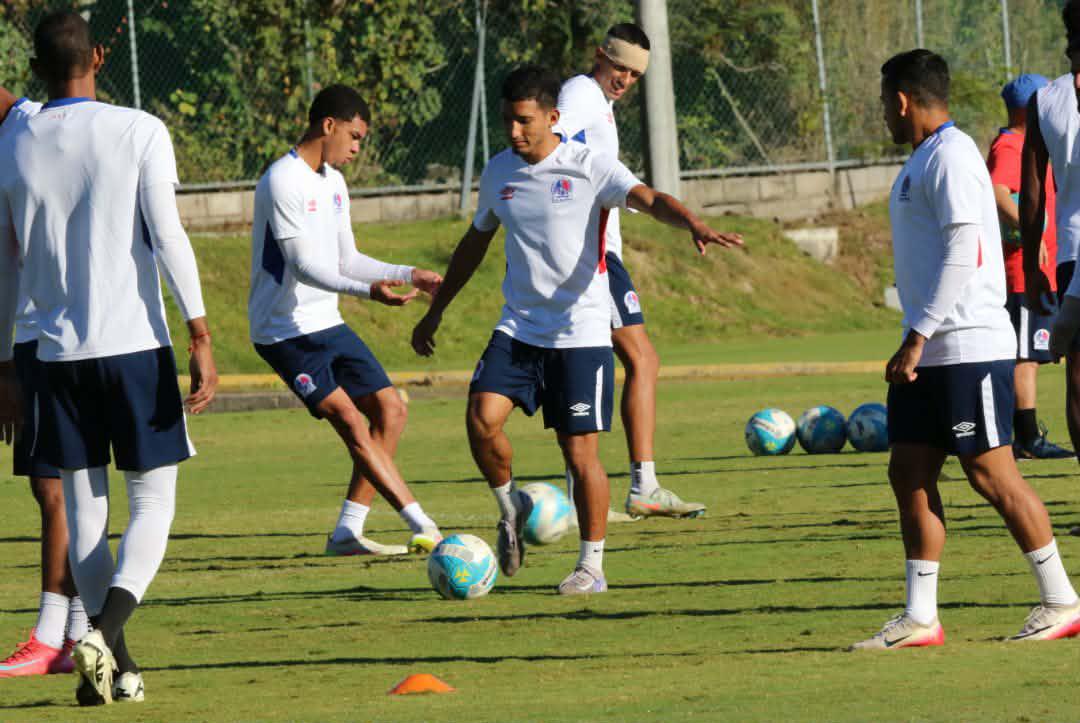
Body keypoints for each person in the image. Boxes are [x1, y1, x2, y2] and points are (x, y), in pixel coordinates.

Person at [411, 65, 741, 595]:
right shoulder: (499, 172)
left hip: (581, 333)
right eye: (507, 122)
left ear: (553, 117)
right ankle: (510, 508)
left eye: (524, 122)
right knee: (480, 419)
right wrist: (436, 310)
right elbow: (474, 244)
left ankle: (592, 566)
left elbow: (650, 199)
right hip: (519, 327)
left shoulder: (590, 166)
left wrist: (693, 224)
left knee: (580, 454)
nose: (514, 133)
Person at [0, 10, 219, 704]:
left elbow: (4, 266)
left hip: (56, 356)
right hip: (133, 348)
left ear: (34, 68)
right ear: (98, 56)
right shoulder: (139, 129)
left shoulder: (13, 144)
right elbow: (170, 235)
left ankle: (116, 667)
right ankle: (106, 633)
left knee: (86, 512)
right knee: (153, 502)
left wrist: (3, 360)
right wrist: (201, 331)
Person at [852, 49, 1080, 650]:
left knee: (991, 473)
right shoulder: (925, 158)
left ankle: (1061, 600)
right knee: (909, 471)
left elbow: (965, 252)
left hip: (966, 346)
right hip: (931, 350)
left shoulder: (951, 156)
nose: (884, 117)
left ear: (902, 100)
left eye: (884, 105)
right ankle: (921, 617)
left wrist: (917, 334)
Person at [249, 84, 443, 557]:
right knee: (352, 421)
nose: (357, 148)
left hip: (326, 322)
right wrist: (367, 293)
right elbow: (302, 267)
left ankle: (346, 533)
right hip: (283, 332)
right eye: (354, 136)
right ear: (328, 125)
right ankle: (426, 526)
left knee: (391, 411)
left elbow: (347, 258)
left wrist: (405, 273)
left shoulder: (333, 182)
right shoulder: (282, 180)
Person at [555, 23, 705, 519]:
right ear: (600, 55)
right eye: (619, 67)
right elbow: (553, 137)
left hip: (595, 251)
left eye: (635, 74)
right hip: (592, 254)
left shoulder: (601, 104)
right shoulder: (581, 93)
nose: (625, 79)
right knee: (641, 360)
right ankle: (640, 484)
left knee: (602, 359)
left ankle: (588, 490)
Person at [0, 88, 90, 679]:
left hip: (44, 336)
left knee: (53, 486)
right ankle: (76, 630)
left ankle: (51, 634)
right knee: (60, 486)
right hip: (42, 334)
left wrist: (6, 359)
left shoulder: (25, 135)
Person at [986, 74, 1071, 459]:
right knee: (1026, 355)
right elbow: (997, 192)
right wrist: (1029, 232)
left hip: (1047, 267)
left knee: (1036, 354)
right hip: (1022, 270)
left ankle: (1024, 435)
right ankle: (1026, 437)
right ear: (1028, 108)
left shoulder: (1033, 143)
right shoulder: (1011, 146)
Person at [1022, 1, 1080, 472]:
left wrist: (1029, 268)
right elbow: (1033, 193)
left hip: (1069, 255)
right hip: (1072, 254)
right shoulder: (1048, 100)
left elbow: (1033, 194)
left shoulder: (1045, 99)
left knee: (1078, 378)